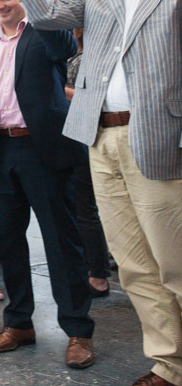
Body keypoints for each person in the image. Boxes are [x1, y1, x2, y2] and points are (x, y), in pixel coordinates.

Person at [8, 0, 182, 386]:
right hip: (100, 136)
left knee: (174, 261)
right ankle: (170, 367)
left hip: (158, 135)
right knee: (133, 266)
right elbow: (41, 16)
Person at [0, 0, 95, 370]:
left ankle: (78, 330)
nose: (0, 4)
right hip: (1, 151)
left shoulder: (44, 33)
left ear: (24, 0)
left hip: (44, 149)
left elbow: (65, 45)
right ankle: (19, 323)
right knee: (9, 242)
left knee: (60, 242)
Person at [64, 29, 112, 298]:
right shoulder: (69, 57)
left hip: (84, 134)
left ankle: (98, 272)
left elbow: (93, 96)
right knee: (75, 208)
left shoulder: (88, 57)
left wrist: (60, 89)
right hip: (67, 134)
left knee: (85, 208)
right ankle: (88, 264)